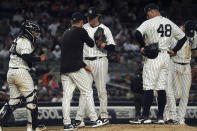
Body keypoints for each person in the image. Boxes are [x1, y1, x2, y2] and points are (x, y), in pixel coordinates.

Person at [135, 3, 187, 124]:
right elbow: (183, 37)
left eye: (148, 13)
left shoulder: (149, 22)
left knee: (149, 86)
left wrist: (143, 45)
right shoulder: (169, 22)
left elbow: (137, 34)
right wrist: (175, 50)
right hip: (166, 57)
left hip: (154, 55)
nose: (147, 16)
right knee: (161, 88)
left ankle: (145, 116)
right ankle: (160, 117)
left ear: (152, 11)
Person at [60, 12, 104, 131]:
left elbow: (70, 54)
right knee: (87, 91)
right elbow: (90, 44)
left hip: (64, 69)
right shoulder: (81, 30)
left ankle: (67, 124)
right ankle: (94, 119)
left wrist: (85, 65)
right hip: (75, 68)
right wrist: (97, 39)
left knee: (67, 97)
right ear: (81, 22)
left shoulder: (65, 33)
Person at [0, 20, 47, 131]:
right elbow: (26, 56)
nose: (36, 34)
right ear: (28, 31)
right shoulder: (24, 40)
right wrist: (39, 59)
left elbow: (25, 56)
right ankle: (32, 127)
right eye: (34, 31)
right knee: (32, 99)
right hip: (20, 72)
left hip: (11, 72)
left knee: (14, 101)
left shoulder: (18, 39)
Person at [74, 6, 116, 127]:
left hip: (100, 60)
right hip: (86, 62)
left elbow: (113, 47)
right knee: (84, 91)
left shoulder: (105, 29)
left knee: (101, 90)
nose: (89, 19)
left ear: (97, 17)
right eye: (88, 17)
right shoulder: (83, 28)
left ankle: (103, 116)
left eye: (92, 17)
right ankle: (80, 119)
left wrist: (103, 45)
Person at [165, 20, 197, 124]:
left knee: (185, 95)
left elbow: (194, 49)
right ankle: (168, 114)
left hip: (186, 65)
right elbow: (167, 51)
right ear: (183, 27)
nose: (190, 34)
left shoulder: (194, 34)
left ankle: (180, 119)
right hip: (174, 64)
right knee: (177, 93)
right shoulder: (174, 33)